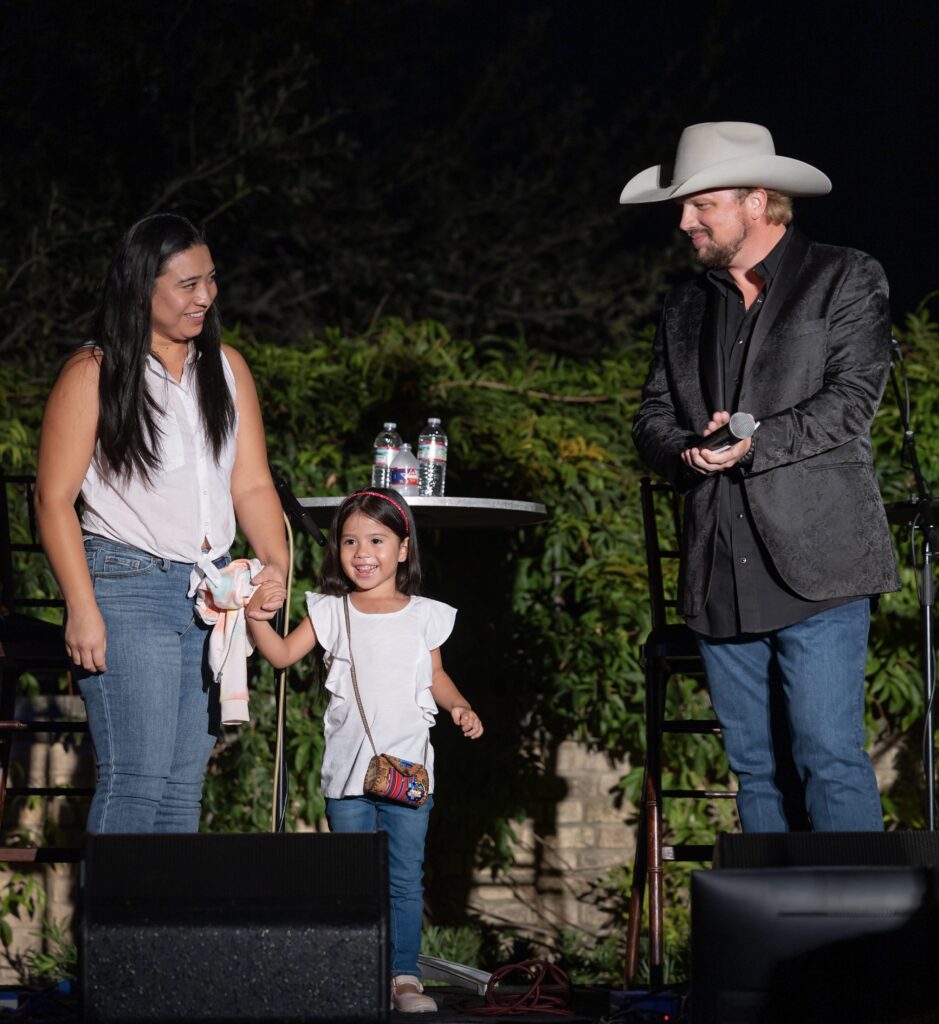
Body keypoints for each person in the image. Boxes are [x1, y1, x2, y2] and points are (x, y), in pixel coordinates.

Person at [623, 122, 900, 832]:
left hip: (818, 563)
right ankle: (776, 941)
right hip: (719, 566)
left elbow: (850, 402)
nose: (684, 222)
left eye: (699, 206)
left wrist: (754, 443)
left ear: (755, 201)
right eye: (681, 209)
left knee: (827, 755)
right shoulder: (686, 303)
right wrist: (685, 448)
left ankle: (856, 940)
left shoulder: (844, 275)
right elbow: (650, 416)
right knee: (753, 768)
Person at [34, 213, 288, 833]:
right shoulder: (94, 373)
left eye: (211, 280)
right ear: (141, 289)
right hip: (127, 586)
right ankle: (117, 933)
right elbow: (52, 498)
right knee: (136, 779)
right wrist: (81, 605)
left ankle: (164, 933)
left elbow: (252, 482)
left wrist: (275, 563)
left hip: (209, 593)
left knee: (180, 790)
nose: (205, 296)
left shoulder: (226, 368)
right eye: (187, 284)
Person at [246, 488, 483, 1014]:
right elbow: (283, 656)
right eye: (349, 540)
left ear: (403, 548)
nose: (362, 551)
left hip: (409, 774)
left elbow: (437, 677)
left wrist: (460, 707)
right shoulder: (330, 611)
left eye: (376, 539)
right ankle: (353, 969)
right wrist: (255, 616)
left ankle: (403, 977)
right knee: (350, 878)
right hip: (347, 777)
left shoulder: (425, 615)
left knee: (403, 877)